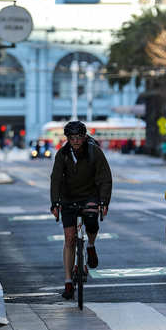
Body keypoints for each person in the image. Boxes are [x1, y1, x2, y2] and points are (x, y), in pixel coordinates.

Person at [50, 120, 112, 300]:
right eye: (72, 138)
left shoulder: (94, 152)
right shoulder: (62, 155)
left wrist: (103, 202)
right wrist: (55, 203)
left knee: (92, 223)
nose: (76, 141)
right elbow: (55, 179)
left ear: (84, 137)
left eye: (79, 138)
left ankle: (91, 246)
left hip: (90, 195)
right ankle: (68, 282)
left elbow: (105, 178)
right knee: (69, 239)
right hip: (68, 198)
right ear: (67, 139)